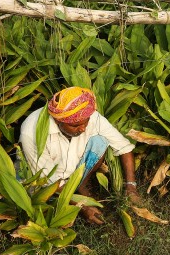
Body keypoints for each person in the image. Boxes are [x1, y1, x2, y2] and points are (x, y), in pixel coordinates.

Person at [19, 86, 140, 224]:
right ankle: (70, 199)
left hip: (73, 171)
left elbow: (124, 147)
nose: (82, 129)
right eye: (75, 126)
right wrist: (81, 207)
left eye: (85, 123)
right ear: (59, 120)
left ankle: (81, 185)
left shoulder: (87, 115)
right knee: (42, 206)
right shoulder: (32, 132)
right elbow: (47, 181)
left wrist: (131, 186)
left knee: (100, 141)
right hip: (42, 184)